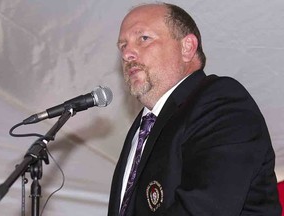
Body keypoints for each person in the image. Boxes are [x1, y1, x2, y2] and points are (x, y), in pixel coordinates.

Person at [108, 2, 281, 216]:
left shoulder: (221, 101)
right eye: (122, 46)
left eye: (143, 38)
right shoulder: (142, 128)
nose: (127, 54)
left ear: (187, 47)